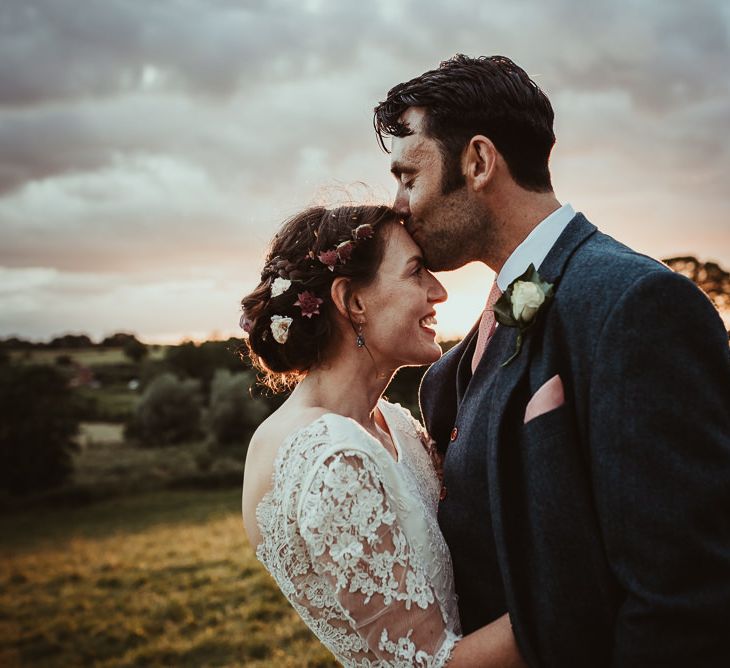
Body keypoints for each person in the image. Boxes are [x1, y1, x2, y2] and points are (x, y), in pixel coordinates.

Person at [373, 54, 730, 666]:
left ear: (479, 162)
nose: (399, 205)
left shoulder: (635, 304)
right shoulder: (456, 361)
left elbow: (686, 594)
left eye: (409, 177)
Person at [240, 204, 527, 667]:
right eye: (417, 273)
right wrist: (585, 587)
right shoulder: (331, 457)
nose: (439, 291)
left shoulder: (390, 423)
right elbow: (435, 663)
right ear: (353, 301)